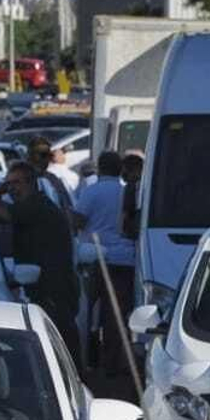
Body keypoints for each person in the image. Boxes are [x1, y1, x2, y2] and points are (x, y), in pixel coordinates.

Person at [0, 161, 82, 368]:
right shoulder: (29, 207)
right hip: (45, 287)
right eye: (9, 184)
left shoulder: (35, 207)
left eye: (16, 183)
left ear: (31, 183)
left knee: (58, 344)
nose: (12, 189)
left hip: (53, 289)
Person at [74, 151, 136, 375]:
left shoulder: (91, 191)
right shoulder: (126, 192)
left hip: (95, 260)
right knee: (115, 316)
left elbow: (78, 220)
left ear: (100, 168)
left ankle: (83, 362)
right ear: (120, 169)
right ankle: (110, 364)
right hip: (124, 262)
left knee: (85, 313)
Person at [120, 151, 144, 240]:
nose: (122, 175)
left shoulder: (131, 187)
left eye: (125, 171)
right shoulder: (148, 185)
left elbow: (126, 212)